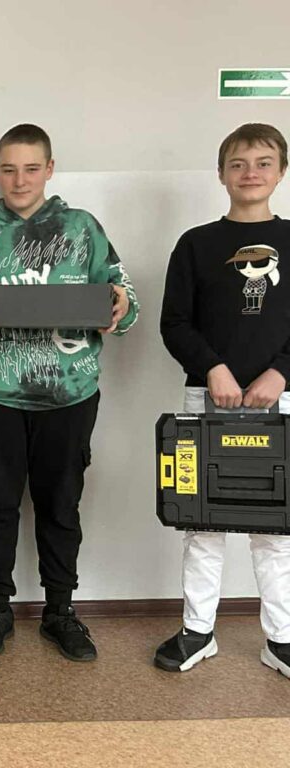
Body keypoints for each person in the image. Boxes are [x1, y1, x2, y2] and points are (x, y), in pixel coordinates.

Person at [0, 123, 138, 662]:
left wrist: (121, 305)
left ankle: (60, 610)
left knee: (61, 506)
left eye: (31, 169)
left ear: (50, 169)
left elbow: (126, 300)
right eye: (9, 169)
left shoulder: (82, 228)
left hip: (70, 393)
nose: (20, 180)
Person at [156, 122, 290, 679]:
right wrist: (213, 368)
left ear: (281, 172)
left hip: (282, 402)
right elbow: (174, 323)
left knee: (276, 527)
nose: (250, 173)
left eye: (262, 163)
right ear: (220, 173)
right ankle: (198, 631)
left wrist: (281, 374)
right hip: (205, 397)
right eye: (238, 163)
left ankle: (281, 639)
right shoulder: (195, 244)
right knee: (203, 523)